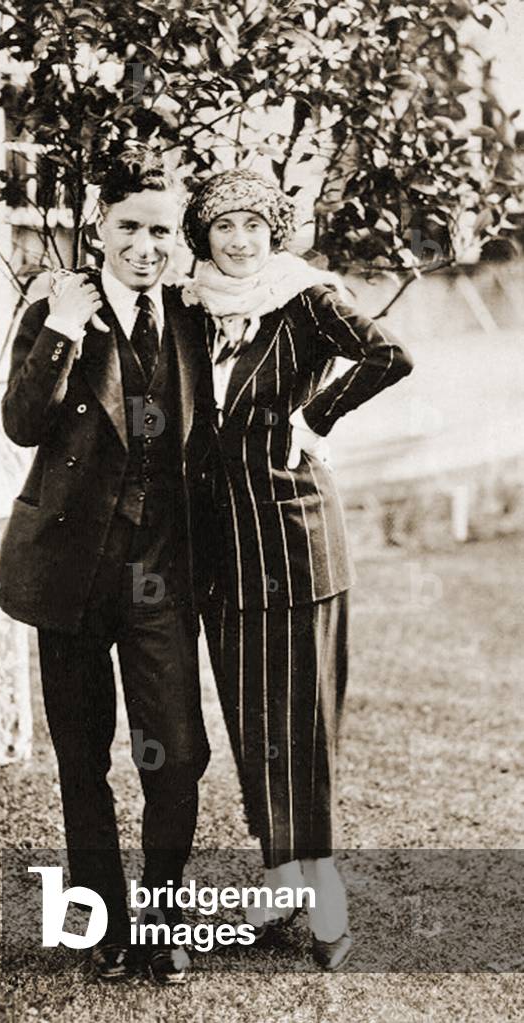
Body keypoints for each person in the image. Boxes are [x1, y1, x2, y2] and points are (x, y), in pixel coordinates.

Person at [0, 147, 215, 984]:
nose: (145, 247)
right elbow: (22, 423)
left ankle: (163, 920)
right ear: (99, 226)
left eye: (161, 231)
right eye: (129, 227)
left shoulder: (192, 315)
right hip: (70, 575)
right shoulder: (57, 307)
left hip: (161, 576)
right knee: (83, 758)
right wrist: (61, 328)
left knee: (176, 754)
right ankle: (109, 924)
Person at [182, 169, 414, 970]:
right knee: (251, 718)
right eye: (223, 225)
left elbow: (388, 354)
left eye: (253, 223)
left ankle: (325, 886)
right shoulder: (191, 305)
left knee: (303, 724)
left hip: (293, 540)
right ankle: (279, 878)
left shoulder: (304, 296)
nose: (239, 239)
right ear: (202, 235)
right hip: (222, 553)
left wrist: (317, 415)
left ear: (273, 230)